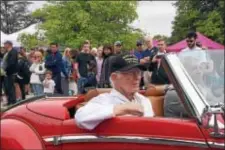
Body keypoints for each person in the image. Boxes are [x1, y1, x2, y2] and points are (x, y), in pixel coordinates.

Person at [75, 54, 154, 130]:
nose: (137, 78)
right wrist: (123, 108)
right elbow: (80, 117)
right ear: (114, 77)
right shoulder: (104, 100)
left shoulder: (144, 100)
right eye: (130, 74)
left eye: (138, 73)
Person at [2, 41, 18, 106]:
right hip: (6, 73)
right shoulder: (7, 52)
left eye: (5, 44)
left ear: (9, 44)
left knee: (11, 87)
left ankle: (13, 102)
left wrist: (5, 70)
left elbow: (12, 63)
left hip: (10, 72)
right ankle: (9, 101)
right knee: (7, 87)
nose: (4, 45)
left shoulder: (13, 51)